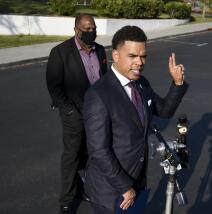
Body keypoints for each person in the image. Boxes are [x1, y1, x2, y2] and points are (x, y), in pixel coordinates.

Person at [83, 25, 188, 213]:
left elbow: (163, 111)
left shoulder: (142, 83)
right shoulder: (98, 95)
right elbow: (98, 151)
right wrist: (124, 186)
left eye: (143, 56)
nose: (140, 62)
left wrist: (177, 83)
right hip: (112, 190)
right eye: (132, 56)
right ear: (116, 55)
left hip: (137, 180)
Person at [46, 14, 108, 213]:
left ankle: (83, 188)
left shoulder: (99, 50)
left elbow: (104, 78)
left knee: (90, 152)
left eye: (94, 28)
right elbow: (54, 87)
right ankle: (66, 199)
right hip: (74, 112)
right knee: (72, 155)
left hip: (96, 112)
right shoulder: (60, 52)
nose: (92, 32)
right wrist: (69, 110)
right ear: (76, 30)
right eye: (87, 28)